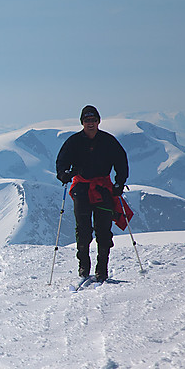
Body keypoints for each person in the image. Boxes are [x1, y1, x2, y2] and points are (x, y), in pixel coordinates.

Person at [55, 105, 129, 282]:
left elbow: (121, 162)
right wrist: (63, 174)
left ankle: (101, 269)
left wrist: (120, 182)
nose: (90, 123)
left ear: (98, 121)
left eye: (93, 120)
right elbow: (62, 162)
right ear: (82, 122)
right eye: (87, 120)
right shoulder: (73, 142)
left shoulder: (108, 141)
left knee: (103, 230)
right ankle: (84, 266)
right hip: (82, 190)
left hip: (102, 189)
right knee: (84, 229)